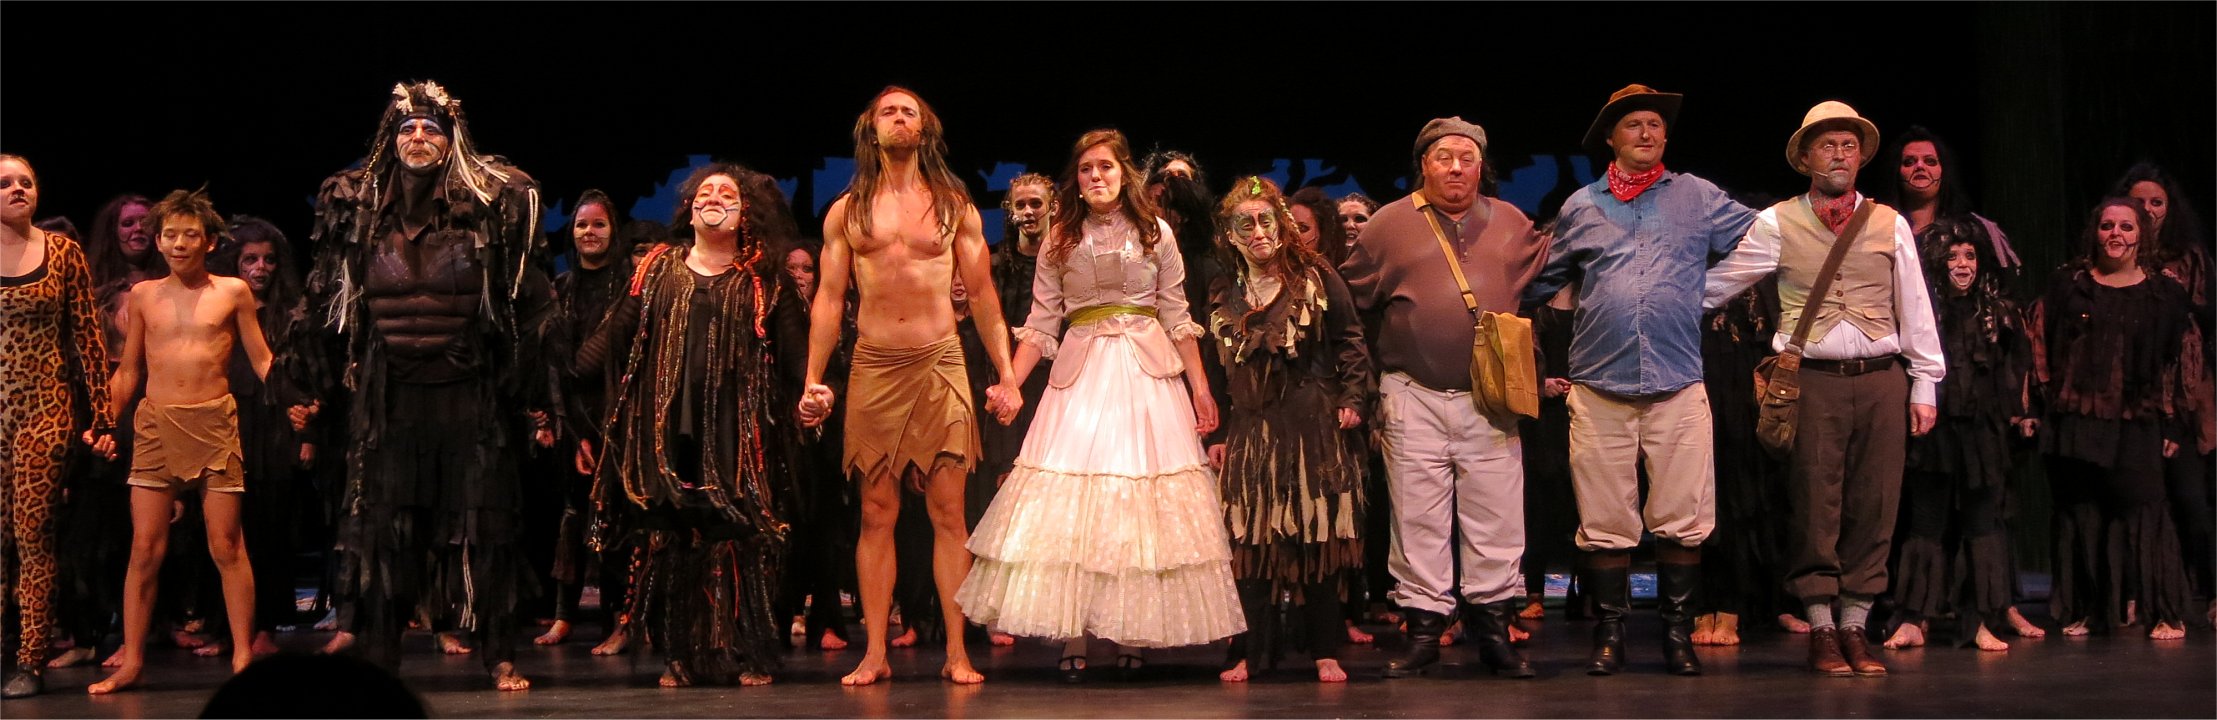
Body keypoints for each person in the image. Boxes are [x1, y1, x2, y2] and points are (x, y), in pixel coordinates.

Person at [957, 128, 1243, 683]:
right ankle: (1075, 634)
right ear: (1077, 178)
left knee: (1138, 504)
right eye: (1087, 168)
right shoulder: (1061, 237)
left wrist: (1201, 388)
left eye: (1106, 166)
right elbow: (1042, 324)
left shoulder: (1155, 231)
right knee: (1074, 503)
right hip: (1082, 373)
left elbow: (1176, 314)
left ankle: (1132, 633)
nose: (1096, 176)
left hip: (1146, 374)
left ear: (1124, 173)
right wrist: (1012, 383)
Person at [294, 80, 553, 691]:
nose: (417, 137)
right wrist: (310, 389)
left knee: (486, 526)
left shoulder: (486, 206)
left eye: (431, 128)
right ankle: (381, 655)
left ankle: (499, 653)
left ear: (450, 139)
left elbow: (528, 304)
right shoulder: (359, 209)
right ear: (389, 139)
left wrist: (534, 400)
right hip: (390, 397)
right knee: (386, 529)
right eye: (407, 128)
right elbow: (324, 301)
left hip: (467, 391)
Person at [1523, 84, 1757, 676]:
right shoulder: (1582, 206)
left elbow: (1765, 240)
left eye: (1654, 124)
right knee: (1605, 520)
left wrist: (1709, 290)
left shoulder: (1697, 196)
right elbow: (1542, 278)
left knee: (1683, 516)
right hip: (1599, 384)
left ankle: (1676, 634)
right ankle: (1610, 633)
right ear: (1611, 138)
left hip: (1677, 382)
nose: (1646, 133)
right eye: (1633, 125)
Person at [1704, 101, 1945, 677]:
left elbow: (1915, 305)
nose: (1839, 155)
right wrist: (1650, 295)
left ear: (1860, 157)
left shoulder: (1889, 223)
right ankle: (1821, 626)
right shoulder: (1776, 222)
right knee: (1815, 504)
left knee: (1875, 505)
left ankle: (1856, 625)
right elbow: (1721, 283)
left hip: (1881, 379)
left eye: (1849, 146)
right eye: (1828, 146)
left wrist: (1925, 383)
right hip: (1812, 382)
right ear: (1806, 158)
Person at [798, 87, 1023, 686]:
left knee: (950, 512)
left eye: (909, 112)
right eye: (888, 112)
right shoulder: (847, 211)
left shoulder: (953, 206)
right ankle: (874, 651)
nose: (899, 119)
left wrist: (1006, 373)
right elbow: (829, 298)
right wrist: (813, 378)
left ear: (925, 129)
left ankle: (957, 650)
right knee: (876, 513)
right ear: (870, 128)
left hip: (939, 363)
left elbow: (983, 295)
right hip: (875, 364)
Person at [582, 163, 805, 686]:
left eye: (727, 193)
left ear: (746, 212)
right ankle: (679, 655)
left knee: (739, 537)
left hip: (737, 434)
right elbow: (617, 338)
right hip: (668, 433)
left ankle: (747, 651)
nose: (714, 198)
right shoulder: (659, 267)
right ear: (690, 208)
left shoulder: (763, 280)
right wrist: (567, 373)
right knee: (672, 537)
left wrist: (816, 390)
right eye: (705, 191)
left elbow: (796, 352)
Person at [1340, 117, 1547, 679]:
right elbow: (1351, 301)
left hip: (1489, 397)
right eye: (1443, 158)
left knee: (1497, 516)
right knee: (1416, 517)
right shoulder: (1388, 224)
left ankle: (1494, 634)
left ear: (1481, 167)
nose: (1455, 168)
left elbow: (1547, 283)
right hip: (1413, 392)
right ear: (1424, 165)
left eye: (1466, 158)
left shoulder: (1510, 221)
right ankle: (1424, 633)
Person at [89, 187, 275, 694]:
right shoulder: (145, 295)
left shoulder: (232, 291)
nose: (178, 243)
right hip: (156, 426)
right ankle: (132, 660)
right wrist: (103, 422)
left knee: (226, 545)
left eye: (189, 235)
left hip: (214, 424)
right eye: (170, 234)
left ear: (209, 241)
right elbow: (129, 370)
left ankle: (242, 654)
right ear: (159, 240)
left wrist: (294, 396)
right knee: (145, 548)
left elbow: (261, 358)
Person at [1205, 177, 1372, 684]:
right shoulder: (1224, 289)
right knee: (1251, 541)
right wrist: (1218, 431)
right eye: (1245, 224)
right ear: (1230, 235)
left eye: (1266, 221)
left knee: (1316, 535)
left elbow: (1350, 338)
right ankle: (1250, 651)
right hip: (1251, 427)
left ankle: (1323, 648)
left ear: (1281, 226)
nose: (1258, 232)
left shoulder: (1316, 275)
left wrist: (1353, 398)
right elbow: (1218, 370)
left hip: (1310, 423)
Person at [2028, 196, 2199, 641]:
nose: (2116, 235)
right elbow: (2045, 348)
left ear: (2141, 234)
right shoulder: (2070, 285)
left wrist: (2173, 423)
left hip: (2136, 419)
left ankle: (2163, 610)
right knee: (2083, 512)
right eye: (2108, 226)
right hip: (2078, 417)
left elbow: (2177, 364)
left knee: (2144, 508)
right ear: (2095, 232)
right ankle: (2088, 609)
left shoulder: (2164, 294)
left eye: (2126, 227)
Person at [0, 154, 116, 699]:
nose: (17, 189)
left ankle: (30, 658)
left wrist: (102, 416)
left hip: (44, 411)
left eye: (25, 181)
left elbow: (88, 337)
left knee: (33, 534)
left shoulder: (62, 252)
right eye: (4, 183)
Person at [1884, 219, 2029, 652]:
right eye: (1952, 256)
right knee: (1926, 523)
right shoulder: (1921, 313)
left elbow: (2014, 370)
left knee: (1982, 526)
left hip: (1982, 436)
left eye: (1969, 255)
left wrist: (2015, 417)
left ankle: (1979, 620)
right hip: (1935, 433)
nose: (1962, 264)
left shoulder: (1998, 314)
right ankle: (1914, 617)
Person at [2108, 163, 2214, 621]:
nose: (2148, 210)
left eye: (2157, 202)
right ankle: (2136, 594)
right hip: (2131, 397)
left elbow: (2206, 321)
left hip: (2184, 395)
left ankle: (2210, 590)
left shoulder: (2187, 260)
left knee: (2191, 498)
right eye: (2140, 202)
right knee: (2136, 501)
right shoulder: (2115, 259)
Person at [211, 216, 318, 659]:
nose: (260, 268)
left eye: (269, 260)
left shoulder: (293, 314)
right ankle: (229, 628)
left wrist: (307, 434)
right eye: (251, 259)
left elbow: (307, 379)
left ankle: (266, 627)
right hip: (227, 423)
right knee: (227, 532)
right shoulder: (220, 309)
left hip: (275, 429)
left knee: (272, 532)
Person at [538, 190, 636, 652]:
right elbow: (557, 368)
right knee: (573, 517)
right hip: (575, 420)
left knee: (619, 518)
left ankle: (621, 620)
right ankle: (564, 615)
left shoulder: (630, 289)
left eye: (599, 224)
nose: (589, 232)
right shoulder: (561, 289)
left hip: (622, 419)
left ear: (613, 231)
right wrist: (573, 432)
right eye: (581, 225)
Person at [1287, 186, 1351, 268]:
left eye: (1302, 228)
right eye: (1289, 229)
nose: (1293, 236)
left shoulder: (1345, 272)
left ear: (1323, 233)